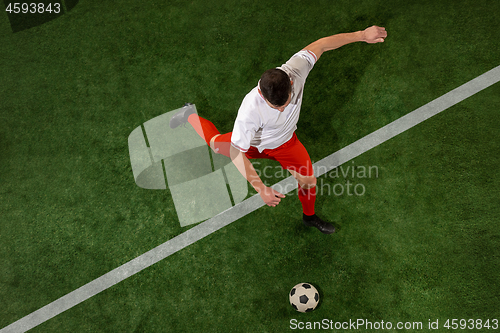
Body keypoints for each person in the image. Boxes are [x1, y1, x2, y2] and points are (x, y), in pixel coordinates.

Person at [170, 26, 387, 234]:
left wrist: (361, 35)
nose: (284, 107)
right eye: (277, 106)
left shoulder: (296, 70)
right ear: (262, 96)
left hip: (285, 143)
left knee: (309, 181)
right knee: (216, 145)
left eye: (287, 100)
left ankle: (309, 217)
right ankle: (189, 114)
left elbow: (321, 45)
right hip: (253, 145)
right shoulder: (249, 110)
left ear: (291, 82)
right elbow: (236, 152)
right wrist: (261, 189)